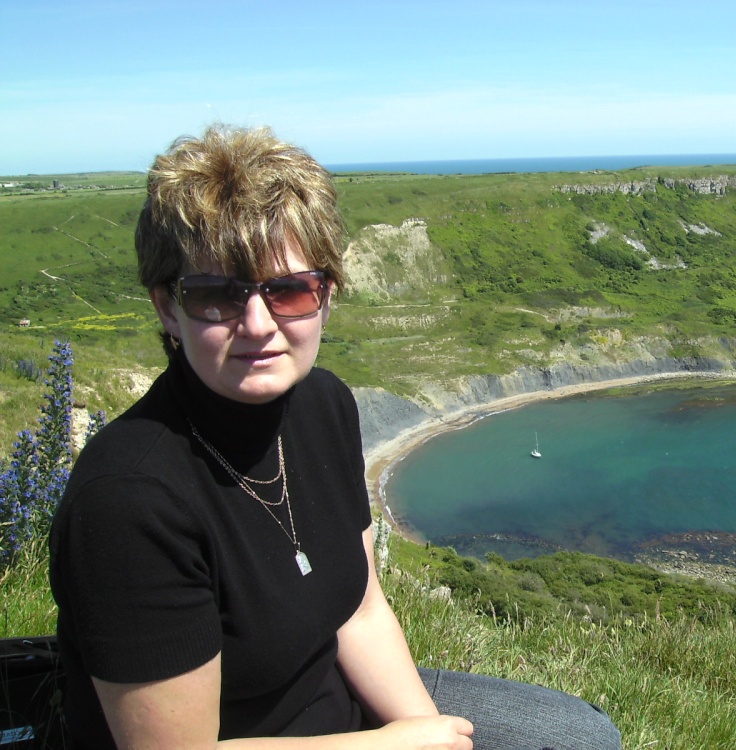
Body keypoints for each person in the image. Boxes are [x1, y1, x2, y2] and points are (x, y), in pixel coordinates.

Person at [48, 125, 622, 750]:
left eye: (288, 289)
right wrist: (394, 745)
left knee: (582, 735)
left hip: (341, 712)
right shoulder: (128, 502)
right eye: (218, 296)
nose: (259, 324)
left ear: (326, 296)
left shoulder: (325, 406)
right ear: (167, 308)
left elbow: (360, 608)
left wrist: (428, 728)